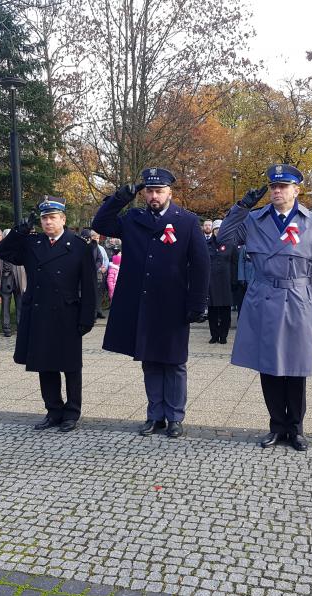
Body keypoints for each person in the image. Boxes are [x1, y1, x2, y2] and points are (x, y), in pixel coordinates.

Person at [217, 164, 312, 451]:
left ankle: (295, 428)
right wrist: (242, 207)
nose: (277, 191)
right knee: (268, 367)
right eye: (273, 187)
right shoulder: (255, 219)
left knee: (295, 368)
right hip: (263, 298)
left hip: (298, 298)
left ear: (296, 190)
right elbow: (224, 239)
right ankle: (276, 425)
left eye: (283, 186)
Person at [92, 167, 209, 438]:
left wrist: (198, 302)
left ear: (170, 191)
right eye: (149, 191)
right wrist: (119, 198)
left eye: (159, 191)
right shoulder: (133, 218)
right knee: (150, 360)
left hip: (173, 302)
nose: (154, 196)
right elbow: (101, 224)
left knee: (175, 361)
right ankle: (155, 414)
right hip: (142, 302)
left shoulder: (187, 221)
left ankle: (175, 416)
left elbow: (201, 265)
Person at [0, 196, 97, 432]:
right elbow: (3, 251)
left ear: (63, 219)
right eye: (44, 218)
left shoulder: (79, 246)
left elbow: (90, 286)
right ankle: (53, 411)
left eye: (52, 217)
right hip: (39, 312)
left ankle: (71, 413)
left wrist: (87, 317)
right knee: (45, 364)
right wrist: (20, 232)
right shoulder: (33, 243)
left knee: (70, 366)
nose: (48, 222)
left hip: (67, 313)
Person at [0, 228, 25, 337]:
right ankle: (6, 328)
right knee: (5, 305)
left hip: (19, 280)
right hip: (5, 280)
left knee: (20, 304)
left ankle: (21, 326)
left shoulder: (21, 249)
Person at [206, 219, 235, 344]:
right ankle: (214, 335)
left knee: (225, 311)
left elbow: (235, 264)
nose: (218, 231)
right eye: (216, 229)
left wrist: (234, 281)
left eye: (220, 229)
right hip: (211, 281)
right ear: (213, 230)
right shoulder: (206, 244)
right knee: (212, 310)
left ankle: (223, 335)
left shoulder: (230, 244)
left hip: (225, 282)